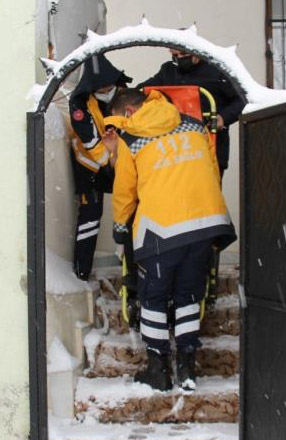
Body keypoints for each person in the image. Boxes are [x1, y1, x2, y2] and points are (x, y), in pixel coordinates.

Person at [105, 88, 236, 392]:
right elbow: (212, 169)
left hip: (161, 229)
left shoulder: (131, 139)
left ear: (128, 113)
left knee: (153, 298)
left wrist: (120, 227)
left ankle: (157, 368)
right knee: (189, 296)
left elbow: (125, 190)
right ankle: (187, 367)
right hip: (206, 222)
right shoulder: (193, 124)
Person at [137, 48, 246, 301]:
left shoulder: (216, 71)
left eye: (182, 54)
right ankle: (178, 272)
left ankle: (207, 275)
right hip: (176, 157)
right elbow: (144, 92)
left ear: (195, 52)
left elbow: (241, 99)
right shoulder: (168, 71)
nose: (178, 59)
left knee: (206, 213)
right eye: (173, 55)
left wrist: (222, 118)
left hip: (209, 153)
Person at [68, 54, 132, 280]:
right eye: (101, 88)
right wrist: (112, 162)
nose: (107, 91)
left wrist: (123, 161)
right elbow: (91, 143)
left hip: (123, 159)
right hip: (90, 166)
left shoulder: (123, 94)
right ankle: (81, 270)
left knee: (133, 208)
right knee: (91, 215)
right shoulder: (79, 103)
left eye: (109, 86)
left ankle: (132, 265)